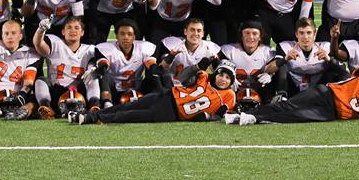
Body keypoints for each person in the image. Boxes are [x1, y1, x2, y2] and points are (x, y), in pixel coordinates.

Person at [227, 31, 359, 125]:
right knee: (288, 105)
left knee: (294, 116)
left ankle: (254, 118)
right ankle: (245, 114)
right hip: (326, 94)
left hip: (332, 113)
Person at [70, 59, 237, 125]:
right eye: (221, 74)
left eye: (227, 78)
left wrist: (207, 117)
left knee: (130, 116)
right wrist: (198, 66)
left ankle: (90, 119)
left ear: (231, 82)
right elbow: (183, 77)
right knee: (128, 106)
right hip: (167, 95)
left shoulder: (229, 95)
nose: (223, 79)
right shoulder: (205, 77)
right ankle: (89, 116)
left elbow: (220, 113)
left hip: (173, 112)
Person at [32, 16, 99, 117]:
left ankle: (94, 106)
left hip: (80, 92)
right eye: (69, 27)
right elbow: (39, 45)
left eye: (77, 28)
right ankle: (46, 107)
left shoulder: (89, 50)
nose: (73, 30)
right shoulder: (55, 43)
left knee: (93, 77)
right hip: (56, 92)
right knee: (40, 80)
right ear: (63, 32)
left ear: (82, 33)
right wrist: (41, 30)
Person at [274, 17, 346, 99]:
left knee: (333, 68)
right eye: (301, 33)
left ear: (314, 34)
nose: (305, 37)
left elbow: (343, 70)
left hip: (319, 89)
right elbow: (270, 69)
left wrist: (329, 60)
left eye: (309, 33)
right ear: (296, 34)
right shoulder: (286, 47)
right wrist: (285, 59)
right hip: (292, 88)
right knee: (280, 66)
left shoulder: (325, 47)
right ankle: (281, 96)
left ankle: (335, 98)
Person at [219, 21, 282, 102]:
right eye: (247, 33)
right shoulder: (229, 50)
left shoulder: (268, 52)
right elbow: (220, 71)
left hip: (261, 92)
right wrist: (229, 77)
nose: (251, 37)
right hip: (234, 92)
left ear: (260, 37)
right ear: (241, 36)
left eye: (255, 33)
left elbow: (277, 69)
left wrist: (270, 75)